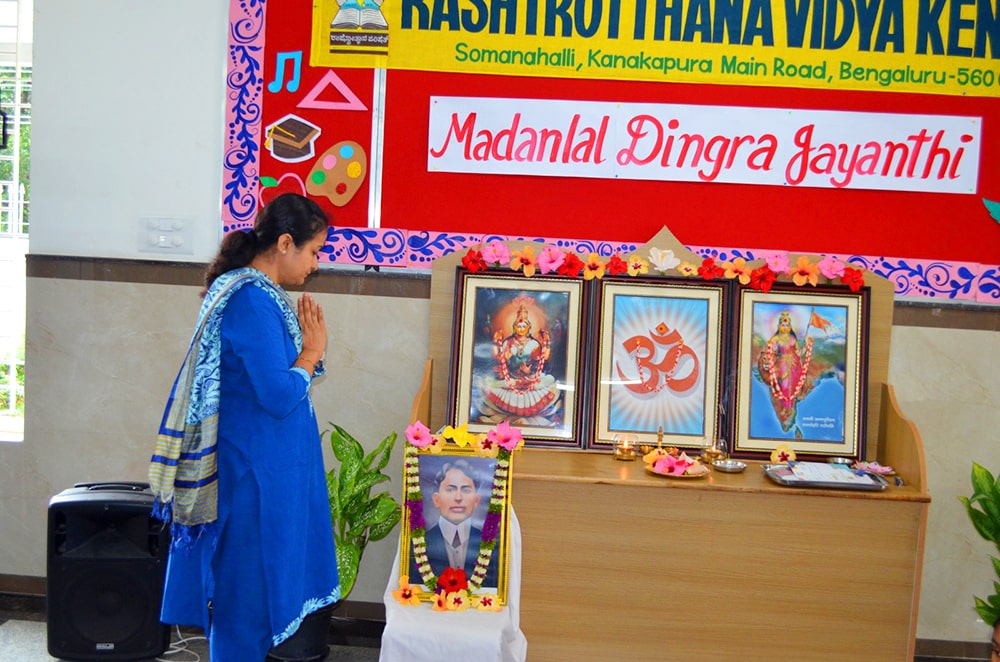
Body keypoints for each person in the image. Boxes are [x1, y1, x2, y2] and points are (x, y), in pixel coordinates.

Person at [148, 193, 339, 660]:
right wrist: (312, 352)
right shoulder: (251, 300)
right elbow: (277, 395)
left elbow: (276, 381)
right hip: (254, 481)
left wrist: (306, 357)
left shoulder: (258, 295)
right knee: (245, 606)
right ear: (285, 243)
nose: (316, 264)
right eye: (314, 251)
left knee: (252, 603)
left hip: (265, 471)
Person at [410, 459, 498, 589]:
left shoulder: (494, 546)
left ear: (476, 500)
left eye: (466, 490)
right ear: (436, 499)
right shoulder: (417, 544)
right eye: (450, 490)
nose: (458, 498)